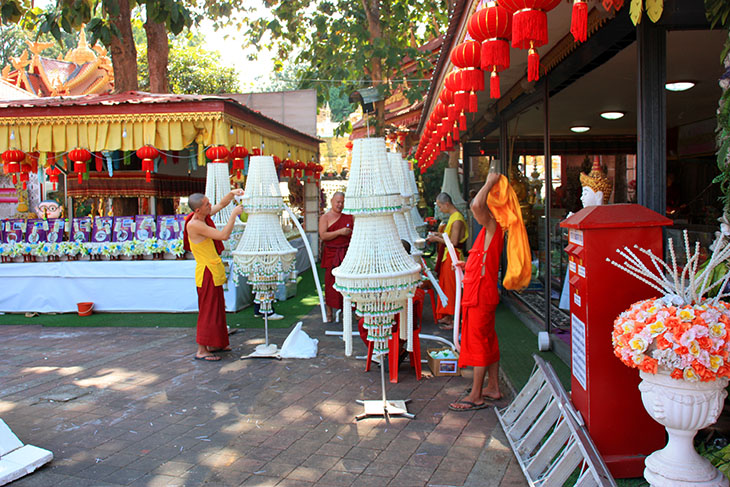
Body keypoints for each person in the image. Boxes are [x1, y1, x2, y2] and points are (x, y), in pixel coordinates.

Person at [449, 173, 504, 411]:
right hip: (481, 290)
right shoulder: (487, 231)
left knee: (479, 342)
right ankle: (493, 387)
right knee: (488, 339)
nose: (475, 212)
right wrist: (466, 265)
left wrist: (489, 182)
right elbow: (483, 259)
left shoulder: (493, 224)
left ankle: (476, 395)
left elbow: (475, 205)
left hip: (481, 294)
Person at [184, 190, 244, 361]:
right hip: (206, 272)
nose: (210, 206)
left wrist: (232, 194)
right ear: (197, 210)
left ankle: (218, 342)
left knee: (218, 308)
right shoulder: (195, 224)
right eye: (207, 205)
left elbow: (221, 204)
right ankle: (202, 350)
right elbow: (223, 235)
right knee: (208, 311)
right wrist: (234, 215)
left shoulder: (202, 216)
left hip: (213, 269)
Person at [426, 192, 467, 329]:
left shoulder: (457, 219)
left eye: (439, 206)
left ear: (446, 204)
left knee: (452, 287)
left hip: (453, 257)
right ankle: (448, 315)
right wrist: (438, 234)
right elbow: (449, 236)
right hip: (448, 256)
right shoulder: (453, 217)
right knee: (446, 286)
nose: (439, 209)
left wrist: (436, 239)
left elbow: (454, 242)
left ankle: (455, 320)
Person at [319, 191, 353, 322]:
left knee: (348, 282)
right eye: (338, 202)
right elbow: (323, 235)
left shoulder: (349, 217)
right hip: (332, 253)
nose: (340, 204)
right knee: (330, 283)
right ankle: (329, 312)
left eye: (342, 202)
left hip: (346, 253)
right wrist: (340, 232)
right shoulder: (325, 218)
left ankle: (350, 310)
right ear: (332, 201)